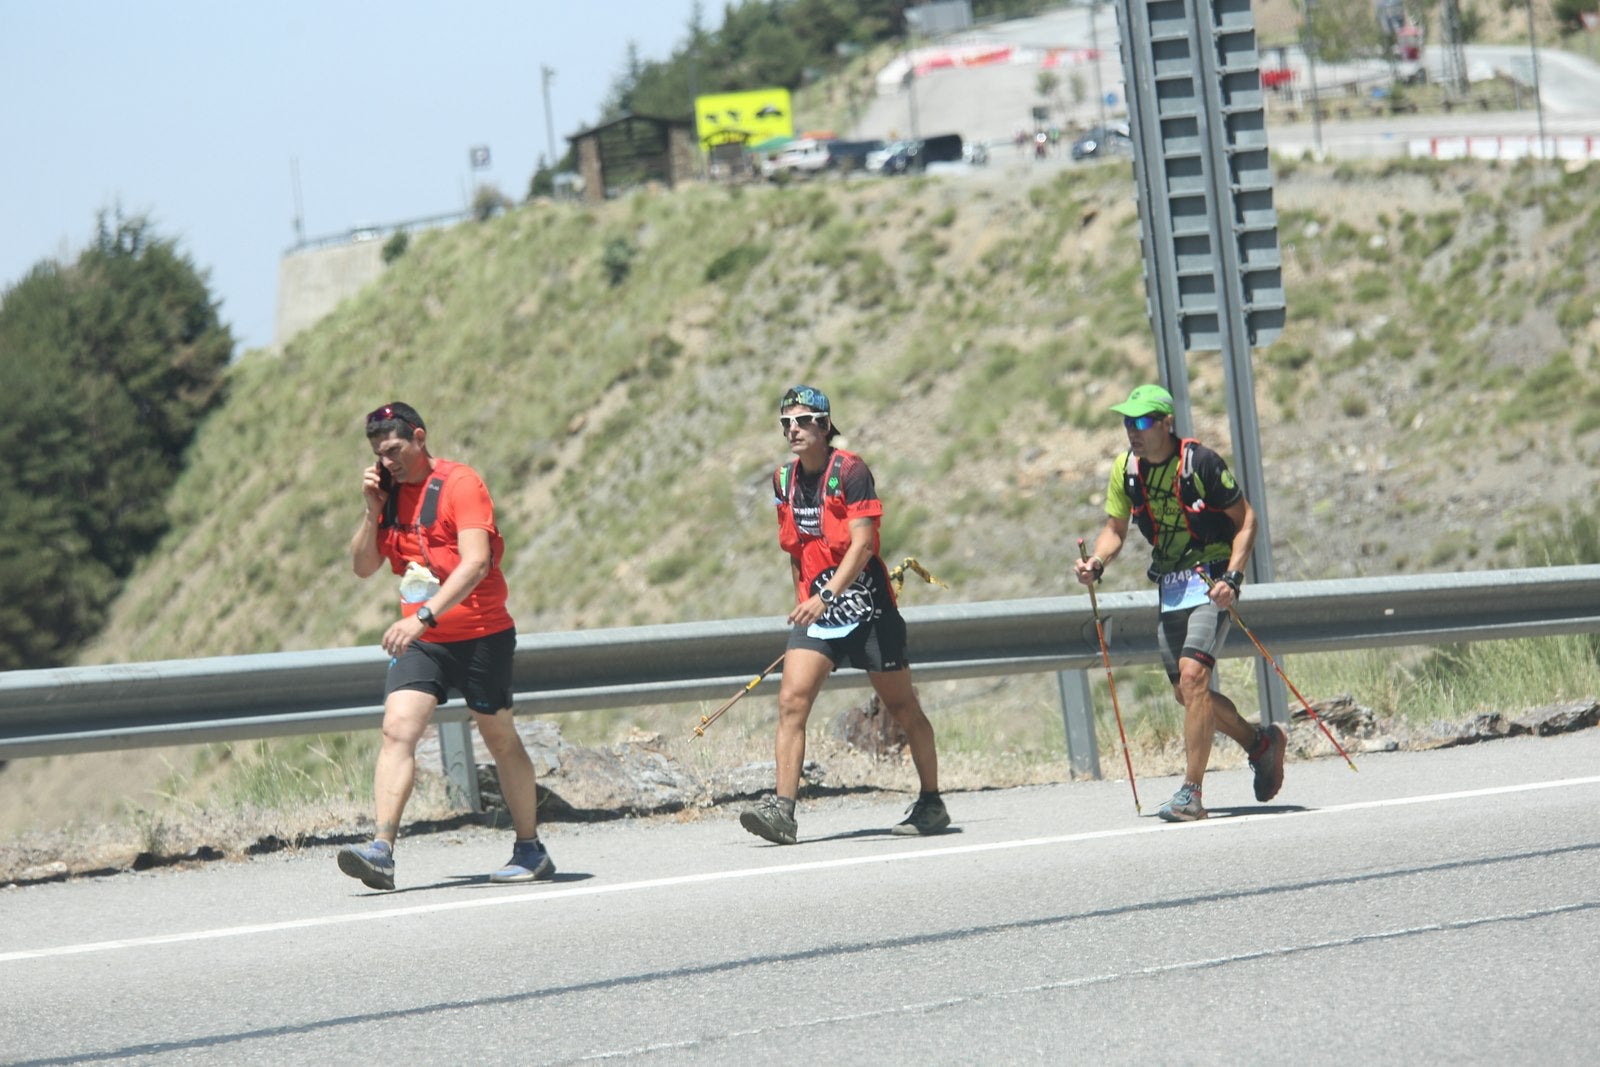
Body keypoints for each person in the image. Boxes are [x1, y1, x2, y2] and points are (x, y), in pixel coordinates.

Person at [338, 401, 554, 890]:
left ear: (419, 437)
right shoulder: (389, 496)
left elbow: (476, 563)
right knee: (397, 731)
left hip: (481, 635)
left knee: (499, 738)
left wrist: (425, 615)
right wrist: (371, 514)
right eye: (378, 453)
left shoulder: (461, 485)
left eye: (394, 449)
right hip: (424, 642)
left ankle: (530, 849)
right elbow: (362, 565)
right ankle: (381, 851)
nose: (387, 460)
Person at [739, 386, 951, 845]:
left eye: (802, 420)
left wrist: (827, 595)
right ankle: (783, 812)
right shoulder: (783, 480)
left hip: (870, 613)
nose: (792, 429)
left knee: (901, 707)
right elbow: (795, 549)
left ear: (823, 425)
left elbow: (862, 544)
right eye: (785, 423)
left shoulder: (850, 471)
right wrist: (806, 600)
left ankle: (932, 801)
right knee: (792, 702)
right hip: (819, 614)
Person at [1073, 384, 1286, 822]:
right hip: (1171, 585)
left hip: (1210, 579)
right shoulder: (1126, 470)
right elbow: (1115, 529)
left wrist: (1233, 576)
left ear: (1167, 423)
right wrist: (1097, 560)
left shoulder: (1201, 463)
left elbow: (1246, 520)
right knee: (1185, 693)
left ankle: (1191, 794)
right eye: (1128, 421)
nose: (1134, 430)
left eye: (1144, 421)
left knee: (1193, 679)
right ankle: (1259, 743)